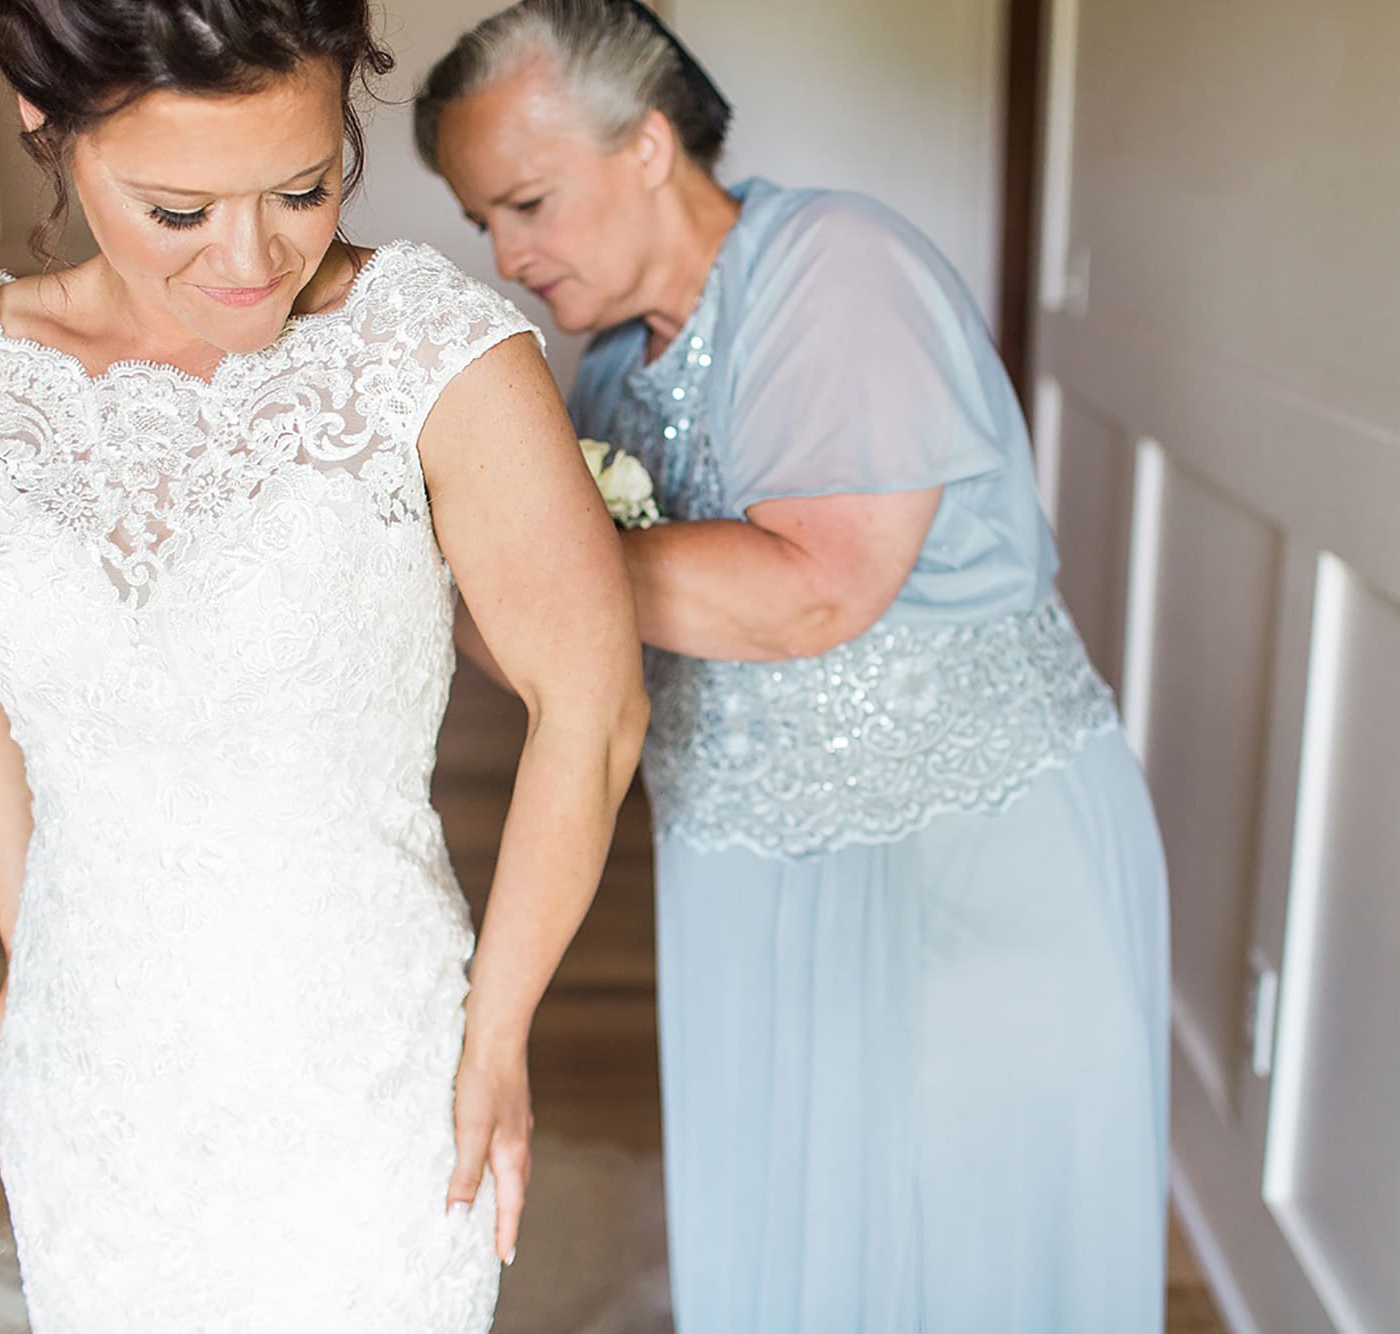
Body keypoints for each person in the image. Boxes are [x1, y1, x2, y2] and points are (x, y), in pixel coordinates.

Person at [0, 1, 648, 1329]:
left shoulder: (432, 353)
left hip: (361, 1057)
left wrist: (499, 1031)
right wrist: (29, 942)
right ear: (45, 121)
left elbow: (592, 702)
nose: (251, 259)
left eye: (302, 189)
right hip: (92, 1055)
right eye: (179, 210)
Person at [416, 4, 1172, 1330]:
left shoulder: (839, 267)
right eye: (484, 220)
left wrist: (524, 553)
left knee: (968, 1246)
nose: (506, 255)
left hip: (966, 862)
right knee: (790, 1236)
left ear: (649, 145)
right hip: (747, 886)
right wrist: (433, 570)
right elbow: (553, 648)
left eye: (527, 203)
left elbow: (815, 588)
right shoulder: (603, 376)